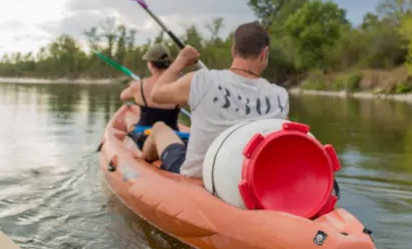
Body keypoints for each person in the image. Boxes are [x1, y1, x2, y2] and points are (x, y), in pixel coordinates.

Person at [143, 21, 289, 178]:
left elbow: (156, 94)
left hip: (198, 175)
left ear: (233, 51)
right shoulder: (280, 96)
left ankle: (141, 163)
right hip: (247, 177)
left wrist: (182, 60)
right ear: (264, 53)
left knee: (158, 128)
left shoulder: (201, 80)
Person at [119, 43, 182, 149]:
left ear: (151, 64)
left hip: (143, 137)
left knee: (129, 116)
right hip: (172, 137)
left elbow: (123, 96)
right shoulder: (180, 86)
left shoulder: (139, 86)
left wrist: (134, 86)